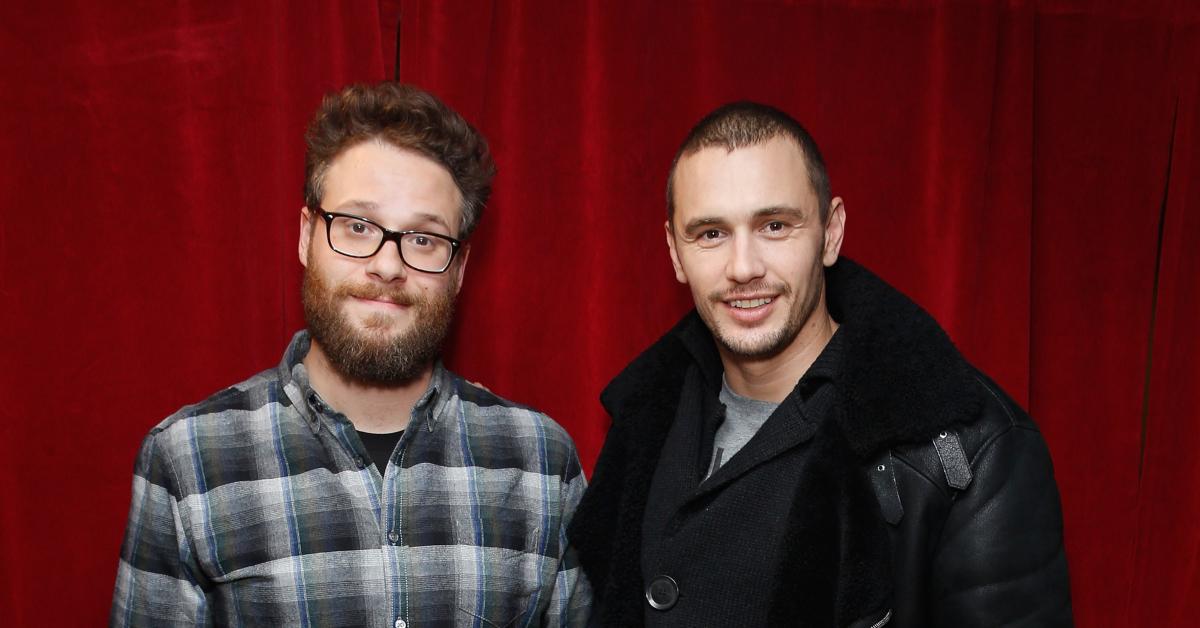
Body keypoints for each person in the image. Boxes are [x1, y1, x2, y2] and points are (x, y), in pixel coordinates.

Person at [568, 101, 1072, 627]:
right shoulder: (646, 418)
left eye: (775, 225)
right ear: (675, 251)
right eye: (711, 233)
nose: (743, 268)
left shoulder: (971, 448)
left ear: (830, 233)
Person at [111, 82, 590, 628]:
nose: (388, 265)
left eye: (425, 238)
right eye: (358, 227)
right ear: (306, 235)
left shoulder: (541, 462)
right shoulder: (188, 459)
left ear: (458, 271)